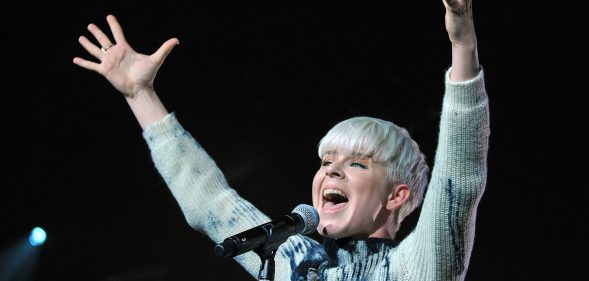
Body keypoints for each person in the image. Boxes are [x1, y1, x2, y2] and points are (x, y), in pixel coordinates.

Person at [73, 0, 489, 279]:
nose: (332, 172)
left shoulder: (417, 268)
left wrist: (462, 44)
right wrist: (139, 95)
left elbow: (459, 179)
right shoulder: (296, 261)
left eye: (357, 163)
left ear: (397, 196)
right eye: (327, 162)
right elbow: (211, 203)